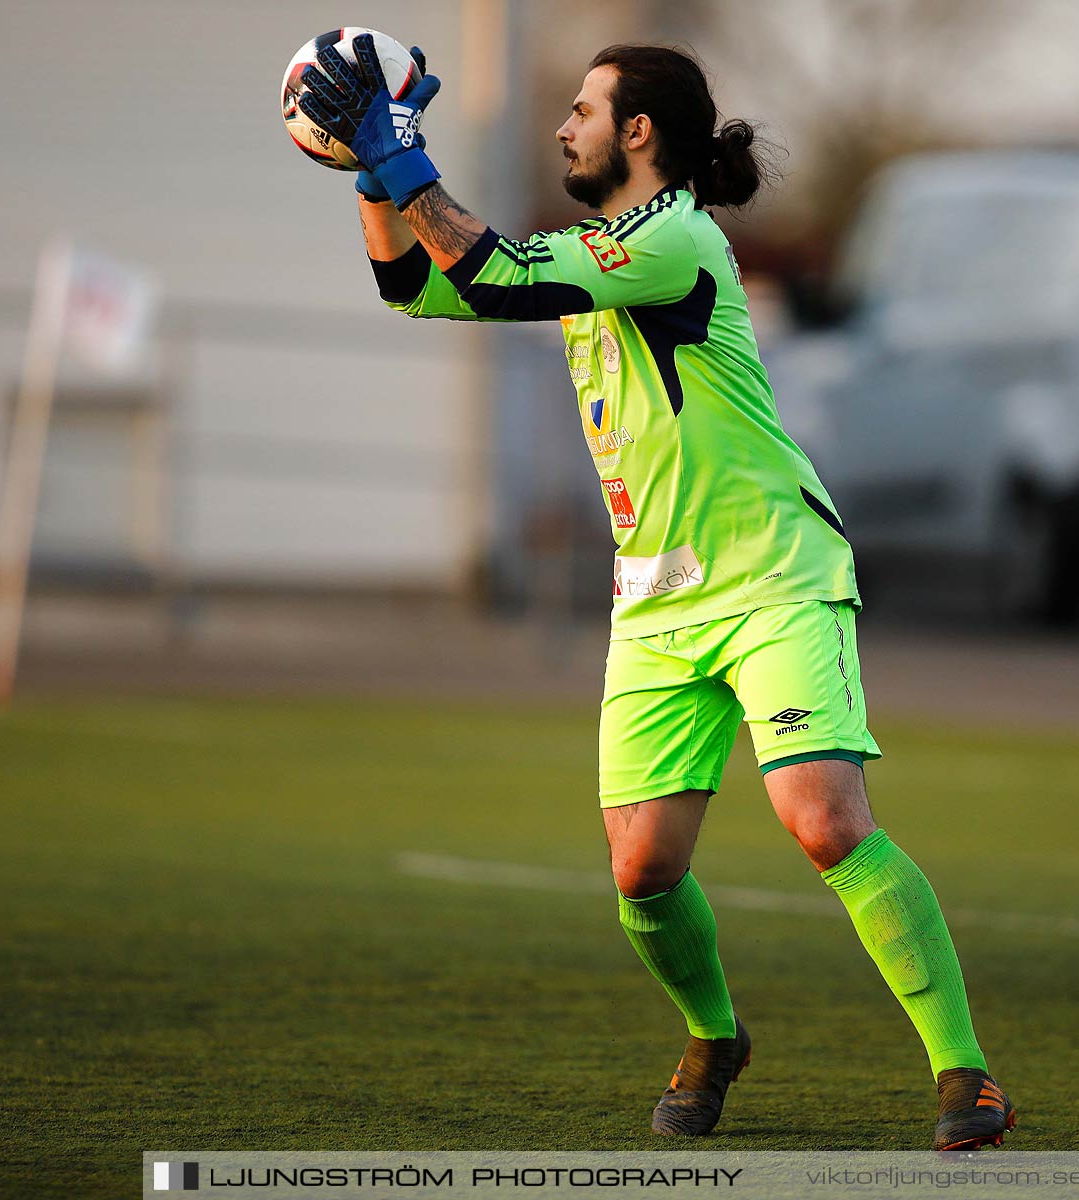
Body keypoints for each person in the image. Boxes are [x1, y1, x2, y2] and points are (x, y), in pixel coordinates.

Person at [297, 37, 1016, 1151]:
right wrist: (371, 174)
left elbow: (486, 270)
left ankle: (964, 1071)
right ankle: (715, 1036)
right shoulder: (589, 252)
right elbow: (413, 290)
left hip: (772, 571)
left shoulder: (673, 240)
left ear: (638, 134)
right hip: (659, 602)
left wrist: (404, 158)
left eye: (582, 109)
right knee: (642, 871)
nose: (562, 126)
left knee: (823, 823)